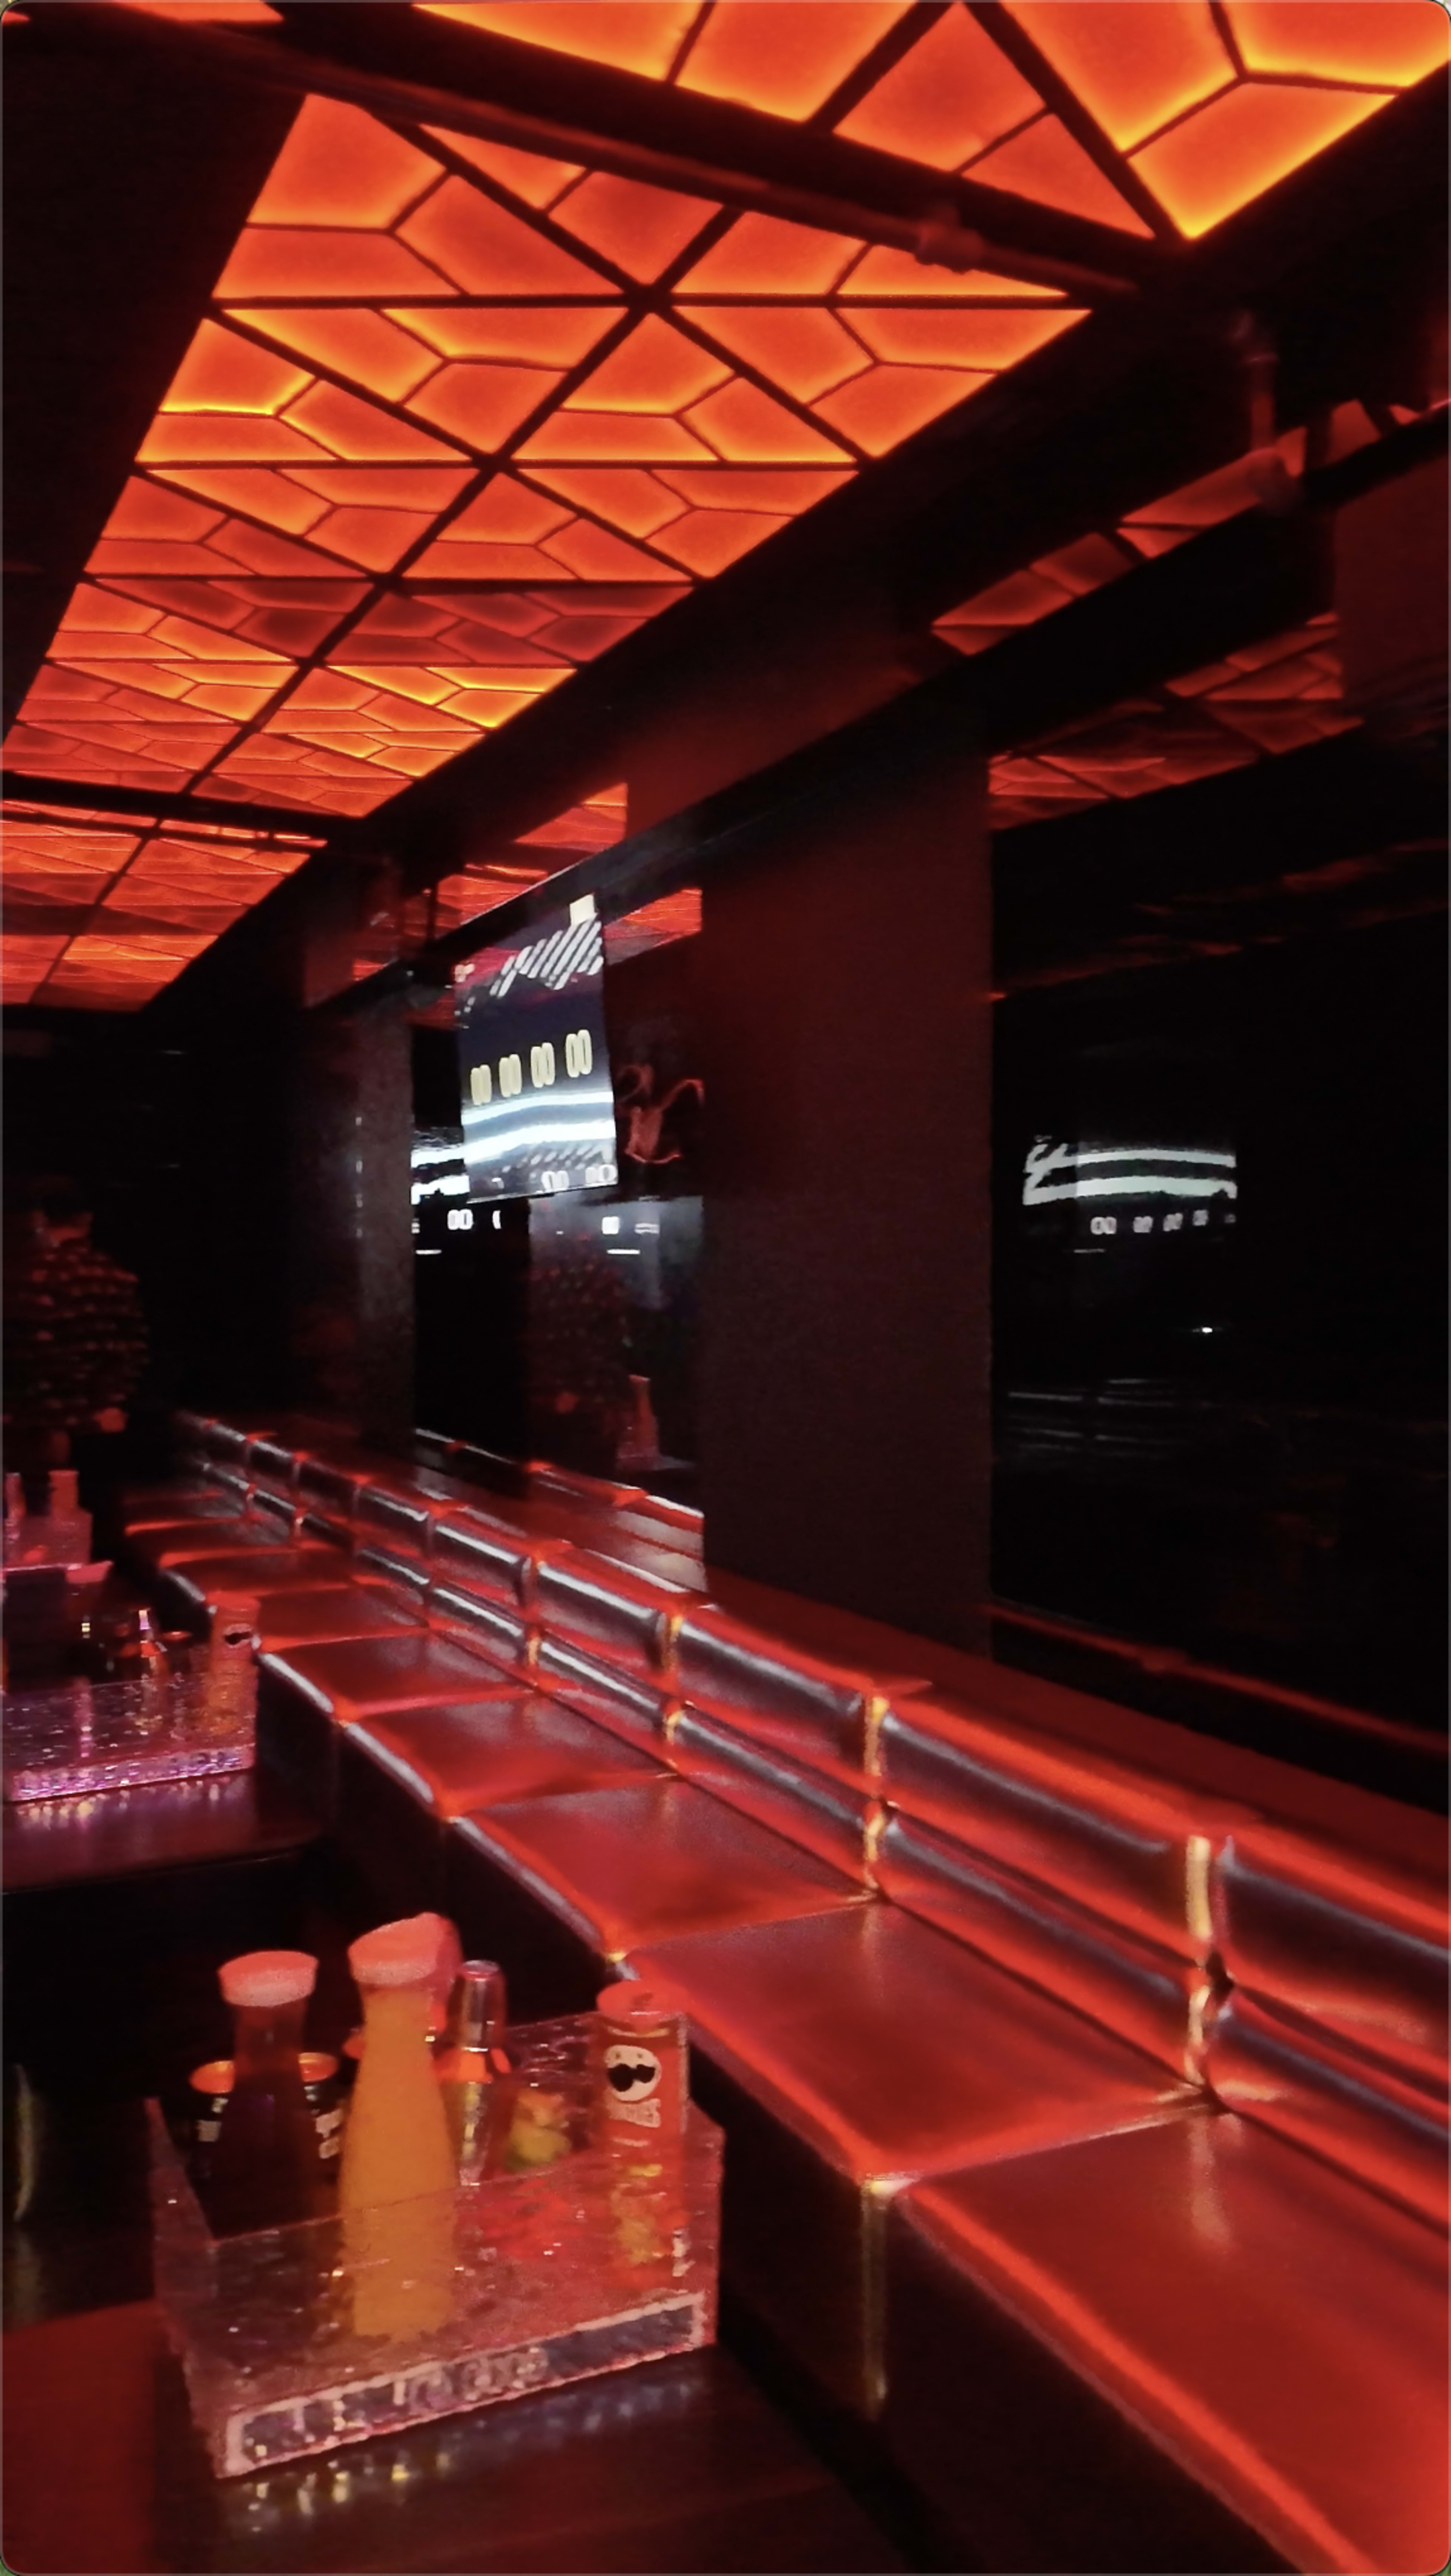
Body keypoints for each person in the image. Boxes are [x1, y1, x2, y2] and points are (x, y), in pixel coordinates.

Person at [3, 1182, 148, 1531]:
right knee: (101, 1512)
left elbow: (32, 1354)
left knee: (42, 1518)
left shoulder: (36, 1276)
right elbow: (135, 1346)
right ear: (87, 1219)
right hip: (105, 1416)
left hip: (47, 1420)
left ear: (42, 1220)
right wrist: (111, 1400)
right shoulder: (118, 1276)